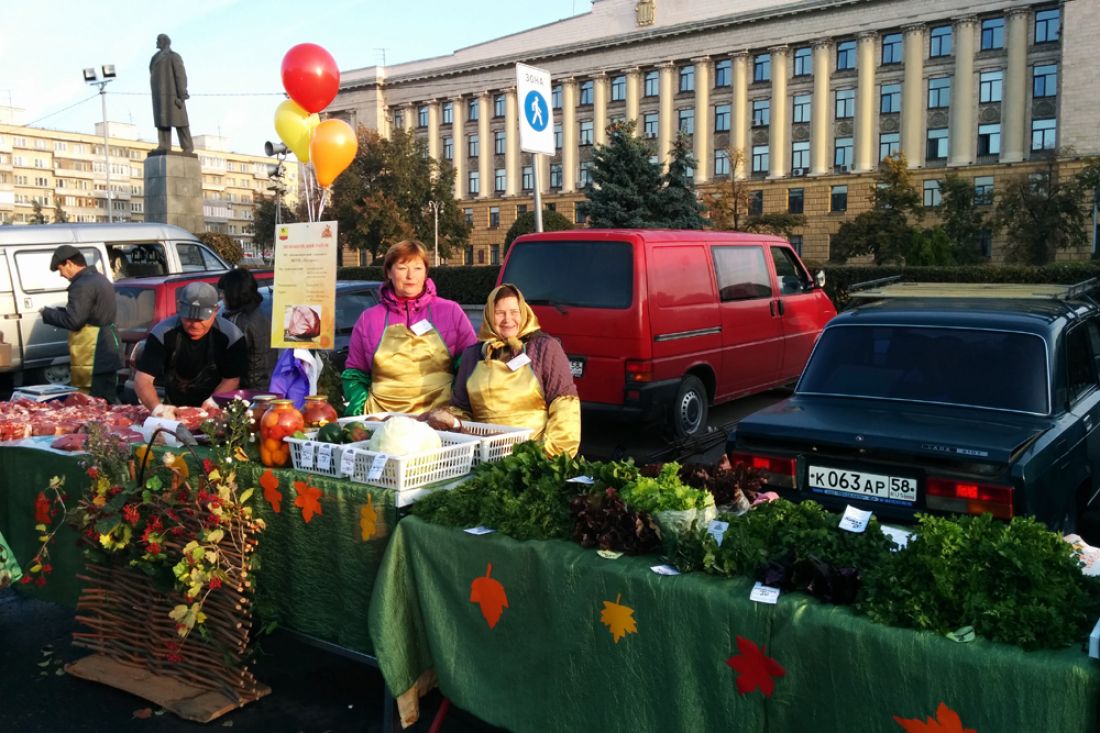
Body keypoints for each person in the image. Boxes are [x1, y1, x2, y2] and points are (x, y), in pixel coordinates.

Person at [427, 284, 581, 457]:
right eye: (500, 313)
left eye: (514, 312)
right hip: (483, 457)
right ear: (489, 316)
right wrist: (456, 424)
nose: (508, 319)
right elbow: (462, 409)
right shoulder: (473, 355)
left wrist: (548, 455)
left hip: (533, 459)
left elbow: (564, 407)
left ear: (524, 312)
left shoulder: (545, 348)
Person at [341, 240, 477, 416]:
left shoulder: (450, 311)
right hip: (382, 424)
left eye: (417, 268)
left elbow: (471, 365)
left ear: (426, 272)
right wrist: (362, 410)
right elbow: (355, 374)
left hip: (440, 424)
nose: (410, 276)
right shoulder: (369, 319)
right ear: (389, 272)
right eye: (402, 268)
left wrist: (456, 410)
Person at [133, 281, 247, 415]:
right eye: (188, 318)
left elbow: (232, 378)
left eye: (201, 320)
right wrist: (157, 409)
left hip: (216, 408)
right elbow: (143, 379)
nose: (194, 325)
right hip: (174, 406)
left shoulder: (232, 337)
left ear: (215, 311)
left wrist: (213, 401)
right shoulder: (162, 333)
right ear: (179, 307)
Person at [40, 244, 122, 402]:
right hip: (108, 348)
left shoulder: (82, 285)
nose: (61, 274)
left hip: (94, 353)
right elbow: (87, 315)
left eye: (60, 269)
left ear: (69, 263)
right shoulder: (98, 278)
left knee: (94, 403)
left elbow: (74, 321)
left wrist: (47, 314)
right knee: (108, 399)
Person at [217, 269, 275, 391]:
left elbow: (230, 362)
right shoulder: (255, 313)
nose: (221, 296)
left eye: (224, 291)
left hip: (247, 390)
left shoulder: (243, 322)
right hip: (262, 385)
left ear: (234, 292)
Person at [149, 33, 193, 154]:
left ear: (165, 42)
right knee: (162, 121)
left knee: (181, 122)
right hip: (159, 95)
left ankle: (187, 147)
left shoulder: (174, 56)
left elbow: (180, 76)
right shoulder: (155, 57)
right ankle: (164, 145)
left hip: (173, 95)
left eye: (158, 40)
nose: (156, 42)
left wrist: (182, 94)